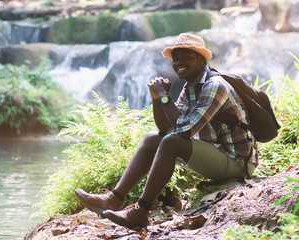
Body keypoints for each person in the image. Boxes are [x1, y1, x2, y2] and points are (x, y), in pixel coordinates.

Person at [75, 33, 258, 230]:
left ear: (201, 59)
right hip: (215, 154)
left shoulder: (215, 86)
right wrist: (157, 98)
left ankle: (140, 211)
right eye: (176, 58)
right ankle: (113, 199)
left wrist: (164, 95)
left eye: (186, 57)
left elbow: (184, 131)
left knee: (172, 142)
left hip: (237, 162)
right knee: (152, 139)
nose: (178, 62)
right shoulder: (190, 87)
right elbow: (165, 129)